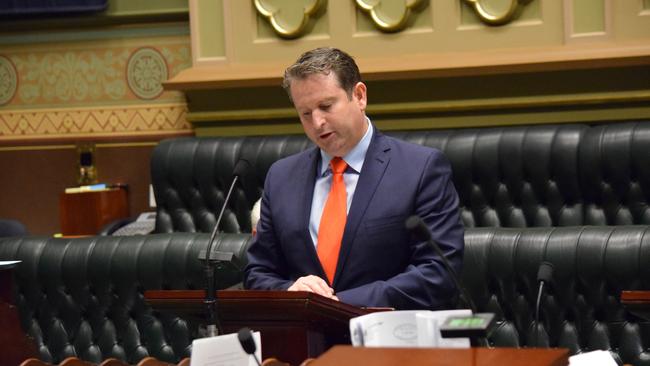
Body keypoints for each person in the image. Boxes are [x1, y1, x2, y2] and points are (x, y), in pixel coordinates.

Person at [244, 47, 464, 310]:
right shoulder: (281, 177)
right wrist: (290, 291)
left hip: (388, 340)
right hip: (304, 345)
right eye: (305, 113)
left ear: (359, 96)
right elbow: (257, 273)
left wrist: (339, 304)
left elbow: (438, 273)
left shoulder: (421, 169)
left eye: (326, 106)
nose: (317, 122)